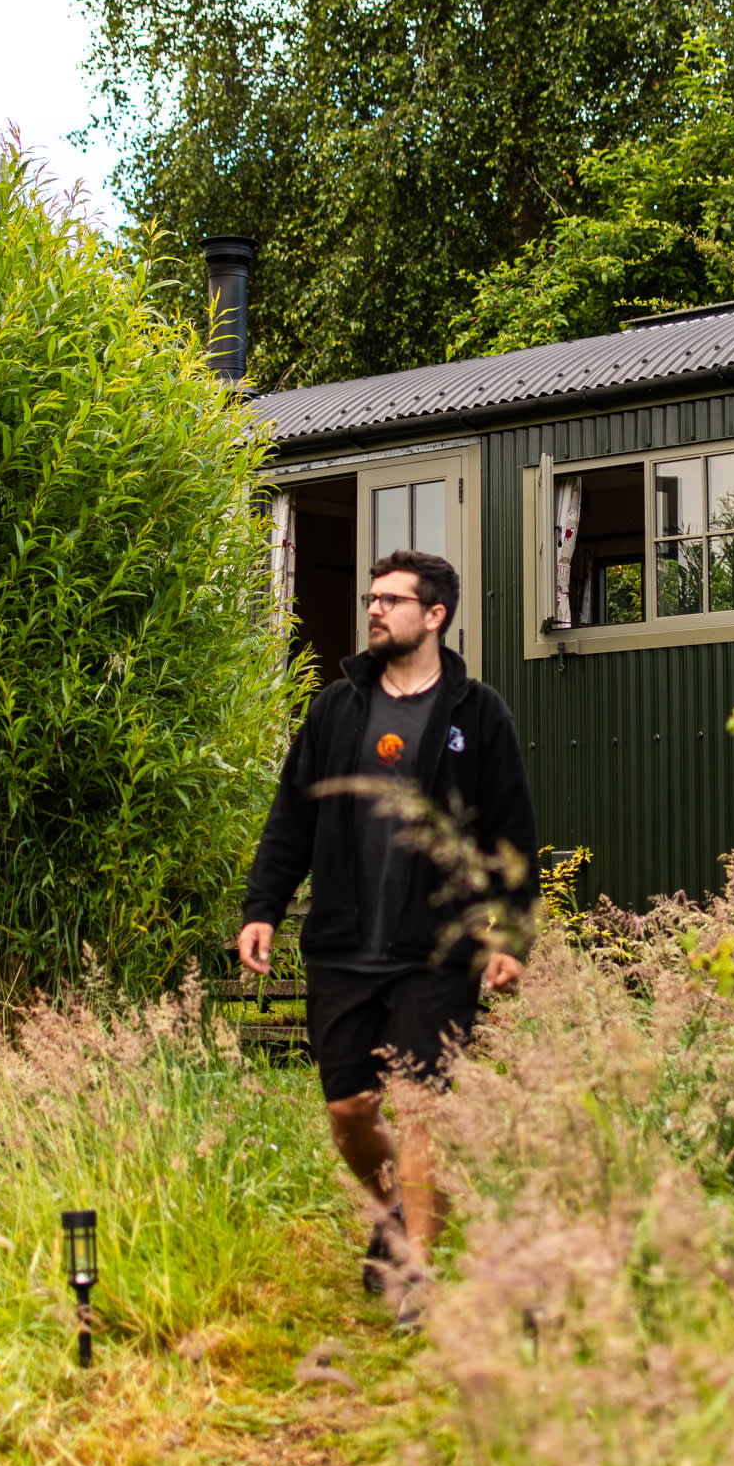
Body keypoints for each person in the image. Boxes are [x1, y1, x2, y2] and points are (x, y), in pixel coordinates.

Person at [237, 548, 538, 1319]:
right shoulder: (337, 709)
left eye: (391, 600)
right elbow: (290, 815)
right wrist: (263, 906)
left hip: (433, 952)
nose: (373, 610)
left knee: (422, 1107)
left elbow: (509, 832)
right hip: (341, 945)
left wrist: (507, 937)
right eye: (370, 598)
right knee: (348, 1111)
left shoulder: (478, 714)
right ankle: (393, 1215)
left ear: (434, 615)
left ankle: (415, 1279)